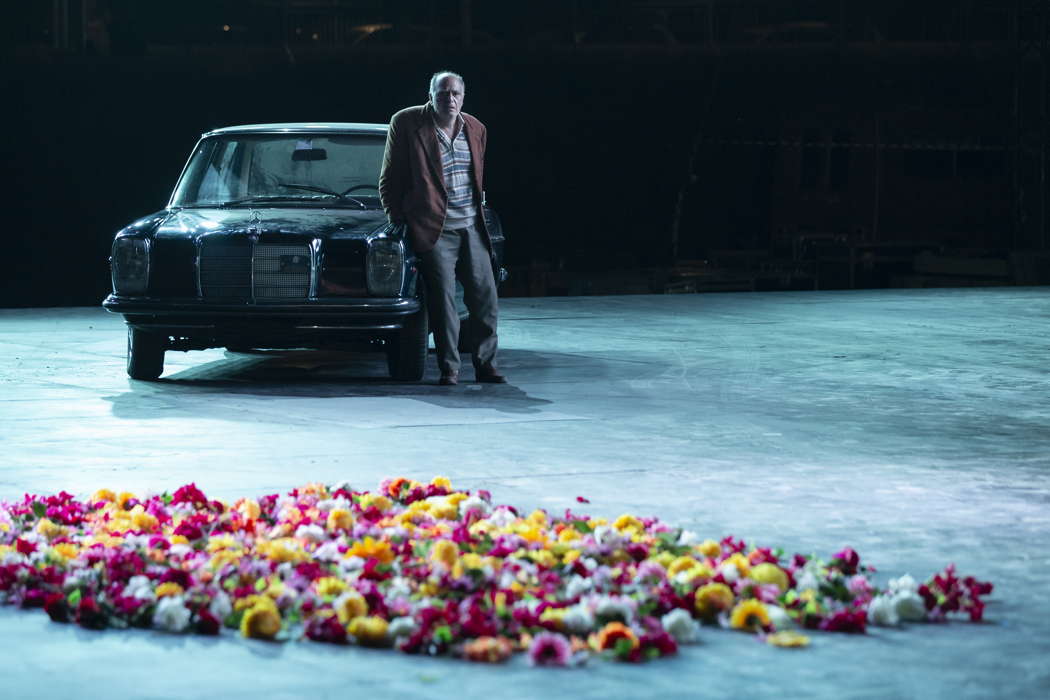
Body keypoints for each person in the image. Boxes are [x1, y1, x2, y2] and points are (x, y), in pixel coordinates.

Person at [379, 71, 505, 386]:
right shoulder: (407, 123)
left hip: (471, 226)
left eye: (455, 94)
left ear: (463, 96)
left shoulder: (476, 129)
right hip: (433, 228)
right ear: (431, 94)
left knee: (485, 299)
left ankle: (486, 365)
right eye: (443, 93)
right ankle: (450, 369)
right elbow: (389, 179)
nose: (449, 99)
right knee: (443, 300)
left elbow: (476, 179)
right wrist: (398, 218)